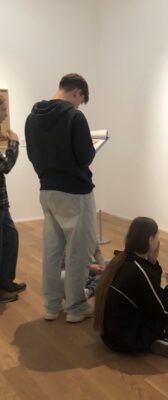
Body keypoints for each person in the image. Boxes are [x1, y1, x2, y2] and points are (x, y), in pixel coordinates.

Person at [25, 73, 97, 323]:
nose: (79, 105)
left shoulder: (32, 117)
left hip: (47, 190)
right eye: (80, 100)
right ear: (77, 92)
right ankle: (76, 307)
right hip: (75, 191)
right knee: (79, 251)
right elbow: (85, 156)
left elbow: (32, 155)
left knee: (52, 250)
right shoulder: (75, 117)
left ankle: (52, 305)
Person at [94, 217, 168, 361]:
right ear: (150, 240)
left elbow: (149, 291)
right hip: (127, 341)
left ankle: (158, 338)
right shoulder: (138, 270)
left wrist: (153, 263)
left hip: (108, 337)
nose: (159, 241)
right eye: (157, 237)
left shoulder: (119, 259)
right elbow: (161, 310)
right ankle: (167, 337)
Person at [0, 95, 26, 303]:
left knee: (10, 238)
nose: (6, 113)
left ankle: (5, 281)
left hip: (2, 202)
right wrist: (14, 143)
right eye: (3, 109)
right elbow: (5, 165)